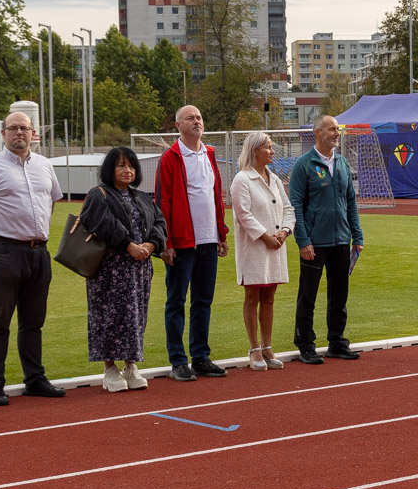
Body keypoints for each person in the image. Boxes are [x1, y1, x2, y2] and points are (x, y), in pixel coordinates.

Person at [0, 110, 65, 402]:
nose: (19, 132)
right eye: (13, 128)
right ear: (3, 133)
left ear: (33, 133)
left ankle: (35, 379)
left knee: (33, 322)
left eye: (24, 128)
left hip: (38, 252)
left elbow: (50, 203)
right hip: (4, 251)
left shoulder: (45, 165)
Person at [79, 146, 167, 391]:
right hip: (110, 270)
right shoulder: (99, 195)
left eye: (131, 166)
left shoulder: (142, 197)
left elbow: (159, 223)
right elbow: (103, 223)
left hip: (139, 270)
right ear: (110, 169)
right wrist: (128, 245)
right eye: (120, 165)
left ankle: (131, 366)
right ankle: (110, 369)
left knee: (135, 317)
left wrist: (151, 244)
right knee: (108, 317)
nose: (127, 170)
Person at [154, 105, 230, 382]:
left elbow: (216, 195)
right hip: (182, 242)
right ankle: (178, 361)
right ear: (178, 125)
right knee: (176, 301)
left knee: (203, 301)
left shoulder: (209, 153)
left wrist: (221, 233)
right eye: (190, 118)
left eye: (199, 117)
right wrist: (166, 242)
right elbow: (162, 201)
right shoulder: (171, 157)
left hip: (208, 240)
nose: (197, 121)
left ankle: (200, 357)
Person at [289, 114, 365, 363]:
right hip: (314, 242)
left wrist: (357, 235)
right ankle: (305, 343)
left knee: (339, 295)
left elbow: (350, 202)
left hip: (341, 240)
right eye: (332, 129)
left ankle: (337, 341)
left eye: (337, 129)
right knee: (308, 295)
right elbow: (295, 205)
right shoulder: (304, 164)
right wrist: (303, 240)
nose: (336, 133)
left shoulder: (342, 163)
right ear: (318, 133)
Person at [230, 130, 296, 370]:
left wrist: (285, 231)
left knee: (269, 297)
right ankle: (254, 348)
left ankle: (267, 346)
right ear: (255, 150)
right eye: (268, 147)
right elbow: (243, 214)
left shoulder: (275, 179)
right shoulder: (242, 179)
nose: (272, 151)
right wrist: (265, 236)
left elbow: (288, 208)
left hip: (275, 246)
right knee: (252, 296)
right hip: (255, 247)